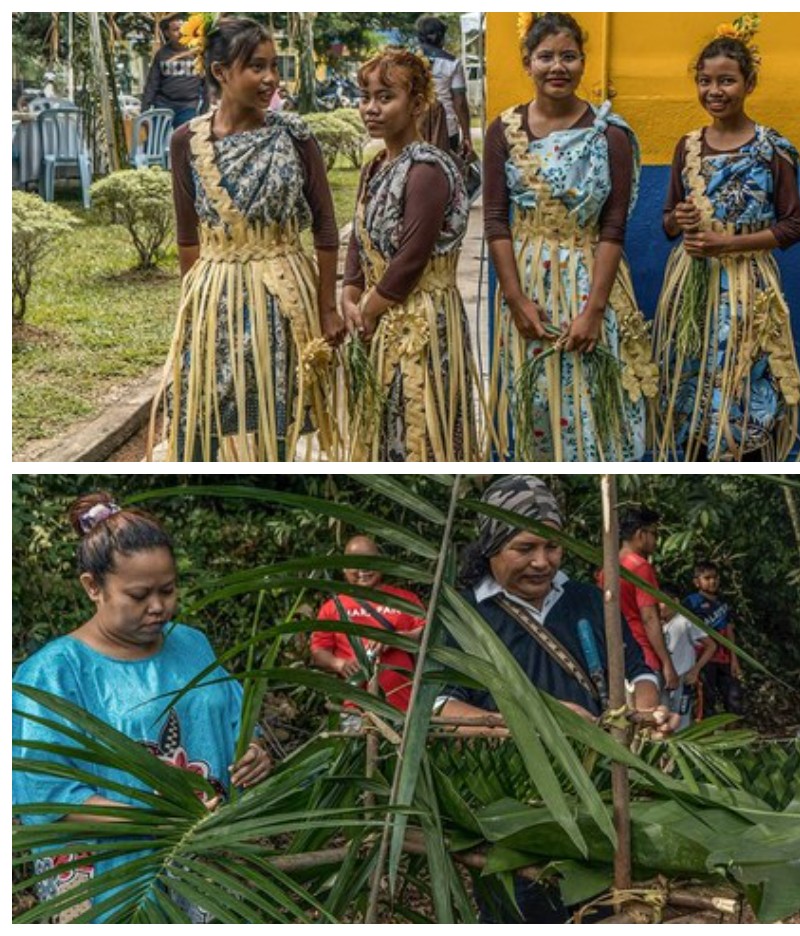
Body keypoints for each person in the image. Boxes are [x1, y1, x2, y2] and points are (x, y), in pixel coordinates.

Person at [12, 493, 271, 922]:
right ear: (92, 587)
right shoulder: (53, 674)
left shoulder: (191, 643)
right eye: (139, 595)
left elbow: (235, 719)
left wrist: (255, 752)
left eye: (168, 590)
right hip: (111, 881)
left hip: (202, 857)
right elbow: (46, 794)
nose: (158, 607)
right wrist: (150, 817)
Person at [440, 476, 672, 923]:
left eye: (552, 547)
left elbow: (639, 671)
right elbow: (442, 711)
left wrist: (646, 712)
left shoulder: (589, 600)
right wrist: (538, 722)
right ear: (491, 545)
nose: (542, 562)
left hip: (603, 807)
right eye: (524, 549)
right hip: (511, 817)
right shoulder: (461, 615)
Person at [152, 16, 343, 462]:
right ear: (221, 72)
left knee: (280, 413)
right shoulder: (186, 141)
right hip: (217, 295)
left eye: (274, 66)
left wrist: (327, 306)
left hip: (284, 295)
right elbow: (187, 236)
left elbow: (326, 227)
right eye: (256, 66)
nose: (270, 78)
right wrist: (192, 308)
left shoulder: (295, 136)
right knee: (203, 411)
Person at [484, 12, 657, 461]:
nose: (557, 67)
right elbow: (496, 221)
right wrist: (515, 299)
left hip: (590, 284)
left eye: (569, 56)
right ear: (527, 62)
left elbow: (613, 227)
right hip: (529, 286)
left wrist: (594, 311)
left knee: (596, 399)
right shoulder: (502, 131)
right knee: (537, 400)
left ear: (583, 62)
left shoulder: (610, 137)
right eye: (545, 57)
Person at [653, 15, 800, 462]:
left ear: (749, 83)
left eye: (727, 80)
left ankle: (746, 455)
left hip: (750, 289)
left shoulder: (772, 149)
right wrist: (680, 219)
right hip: (693, 288)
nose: (715, 91)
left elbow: (794, 227)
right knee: (694, 376)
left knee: (749, 375)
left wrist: (730, 246)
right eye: (705, 81)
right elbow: (666, 221)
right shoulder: (687, 147)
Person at [342, 47, 481, 462]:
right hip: (379, 314)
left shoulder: (428, 169)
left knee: (424, 423)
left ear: (418, 104)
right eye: (366, 97)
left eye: (386, 97)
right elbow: (359, 233)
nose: (371, 108)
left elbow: (412, 257)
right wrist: (349, 292)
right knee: (385, 420)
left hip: (421, 315)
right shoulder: (376, 165)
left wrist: (368, 308)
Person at [311, 535, 426, 719]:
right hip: (354, 707)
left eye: (368, 562)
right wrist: (339, 664)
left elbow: (429, 634)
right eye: (355, 563)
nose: (362, 570)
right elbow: (318, 651)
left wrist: (396, 639)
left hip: (403, 706)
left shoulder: (405, 600)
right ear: (344, 568)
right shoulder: (333, 607)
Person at [615, 505, 678, 691]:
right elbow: (649, 617)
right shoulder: (640, 567)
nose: (656, 541)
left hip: (619, 655)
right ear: (640, 534)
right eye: (654, 534)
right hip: (644, 654)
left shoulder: (607, 568)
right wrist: (667, 663)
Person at [682, 561, 743, 717]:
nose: (712, 581)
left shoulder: (723, 603)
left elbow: (729, 630)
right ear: (697, 582)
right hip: (703, 658)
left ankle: (735, 737)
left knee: (734, 699)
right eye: (707, 578)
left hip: (724, 658)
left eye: (715, 577)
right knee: (706, 701)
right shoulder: (690, 602)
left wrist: (734, 659)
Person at [415, 15, 476, 165]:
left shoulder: (408, 61)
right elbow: (459, 102)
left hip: (414, 128)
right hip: (447, 130)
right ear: (442, 38)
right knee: (447, 174)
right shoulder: (453, 63)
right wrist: (467, 136)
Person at [141, 14, 206, 128]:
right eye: (176, 30)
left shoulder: (198, 52)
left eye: (184, 29)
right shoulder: (162, 54)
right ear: (167, 33)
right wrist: (144, 110)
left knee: (185, 142)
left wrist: (205, 108)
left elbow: (207, 84)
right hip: (163, 104)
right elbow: (152, 83)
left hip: (188, 106)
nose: (181, 33)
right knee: (155, 140)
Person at [662, 609, 717, 729]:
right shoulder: (659, 623)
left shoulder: (685, 621)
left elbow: (711, 646)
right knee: (664, 719)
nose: (659, 607)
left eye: (661, 602)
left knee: (681, 720)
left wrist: (695, 670)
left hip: (683, 677)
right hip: (665, 678)